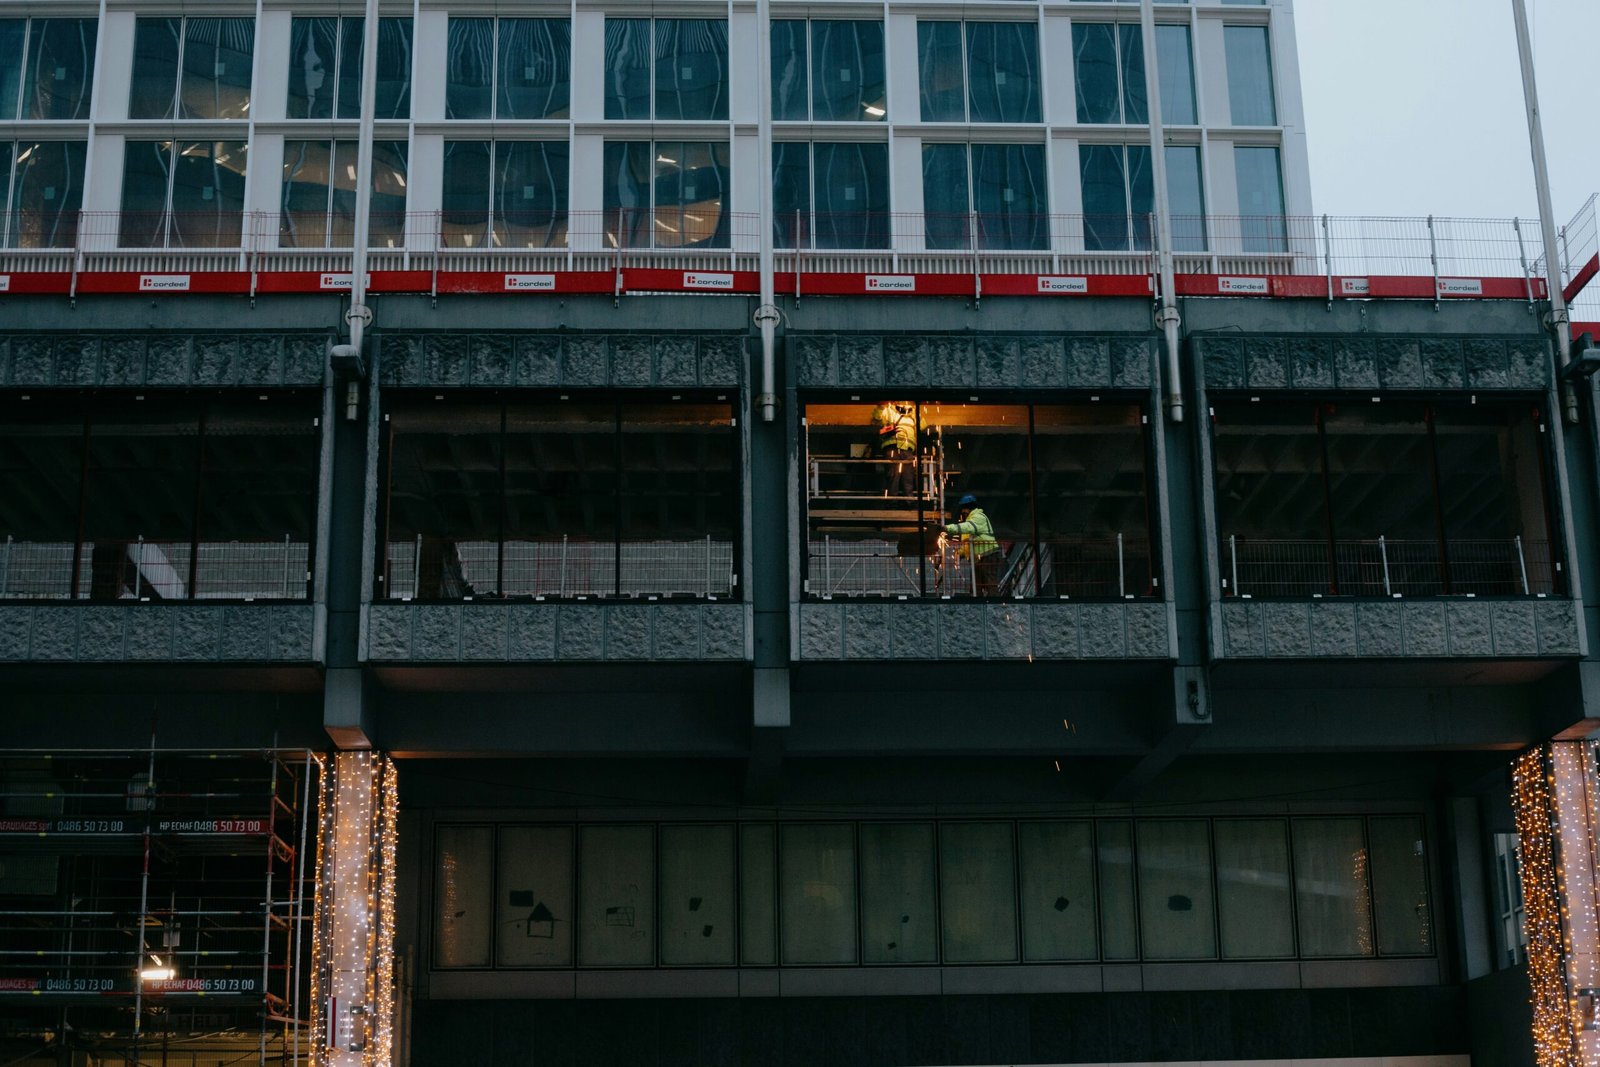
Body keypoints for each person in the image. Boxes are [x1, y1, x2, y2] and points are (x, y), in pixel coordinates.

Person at [944, 493, 1003, 595]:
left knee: (990, 583)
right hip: (979, 558)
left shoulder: (978, 517)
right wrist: (960, 553)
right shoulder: (970, 521)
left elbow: (967, 527)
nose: (962, 511)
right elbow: (968, 542)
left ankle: (995, 604)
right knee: (976, 585)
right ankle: (977, 604)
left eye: (964, 509)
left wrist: (947, 528)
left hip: (988, 555)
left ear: (969, 508)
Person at [871, 401, 918, 498]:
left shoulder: (913, 413)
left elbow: (922, 425)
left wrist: (914, 411)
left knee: (907, 479)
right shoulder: (889, 410)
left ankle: (908, 504)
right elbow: (877, 417)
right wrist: (881, 405)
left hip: (907, 450)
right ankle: (893, 504)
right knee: (893, 478)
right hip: (893, 449)